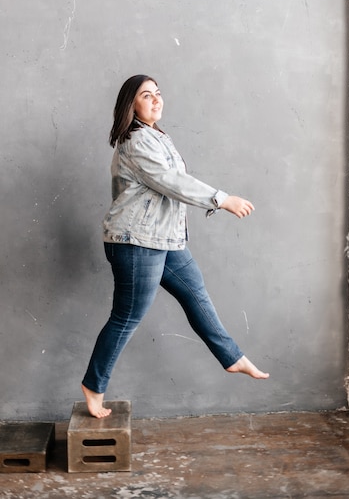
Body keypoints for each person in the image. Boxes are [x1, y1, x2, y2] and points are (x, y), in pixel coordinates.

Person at [82, 74, 269, 418]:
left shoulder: (156, 136)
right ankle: (94, 386)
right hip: (136, 243)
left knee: (196, 295)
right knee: (126, 318)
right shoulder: (138, 140)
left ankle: (232, 358)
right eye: (146, 96)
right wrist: (222, 199)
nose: (155, 100)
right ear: (131, 105)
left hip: (164, 240)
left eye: (157, 94)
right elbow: (172, 183)